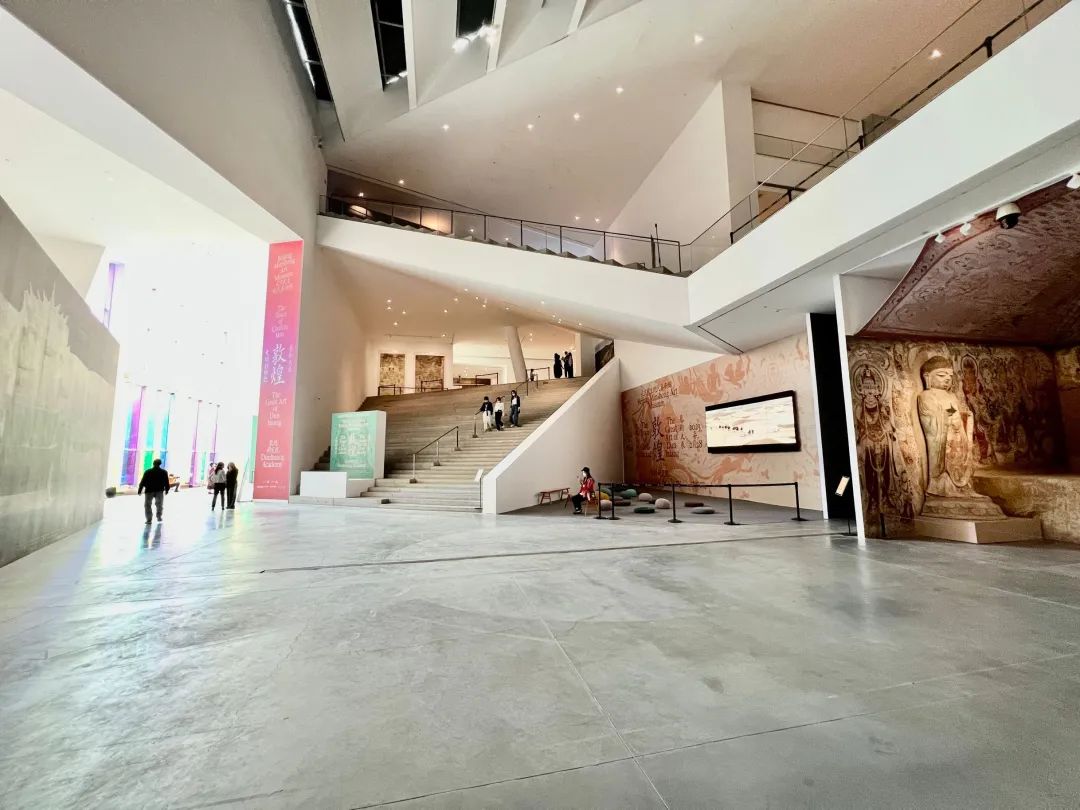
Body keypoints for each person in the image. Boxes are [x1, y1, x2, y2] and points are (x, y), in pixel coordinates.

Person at [137, 459, 170, 525]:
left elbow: (143, 481)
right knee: (159, 504)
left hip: (149, 490)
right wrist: (167, 489)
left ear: (153, 463)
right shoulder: (164, 472)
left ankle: (149, 519)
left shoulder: (148, 471)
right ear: (160, 464)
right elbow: (166, 482)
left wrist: (140, 490)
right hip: (159, 490)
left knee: (147, 505)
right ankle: (159, 516)